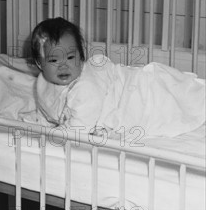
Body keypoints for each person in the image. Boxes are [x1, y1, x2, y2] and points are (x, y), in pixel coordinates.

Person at [32, 17, 205, 137]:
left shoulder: (86, 87)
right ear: (40, 64)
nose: (64, 65)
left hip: (137, 94)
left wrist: (52, 135)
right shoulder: (42, 83)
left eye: (71, 57)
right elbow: (48, 108)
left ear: (81, 56)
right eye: (54, 59)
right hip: (132, 89)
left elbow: (78, 129)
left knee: (177, 98)